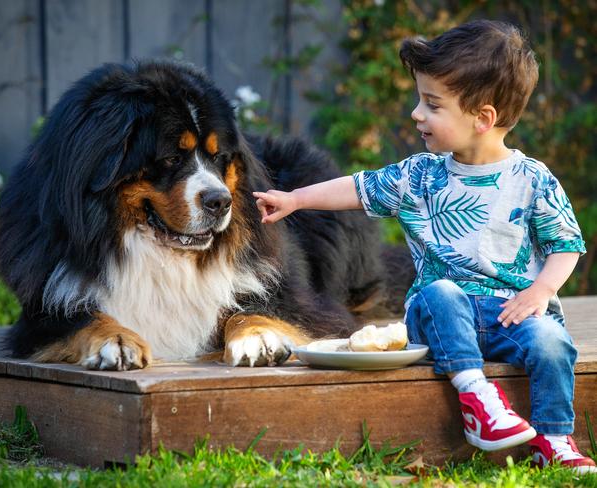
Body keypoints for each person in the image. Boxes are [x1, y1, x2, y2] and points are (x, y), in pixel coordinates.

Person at [253, 20, 595, 473]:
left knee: (553, 340)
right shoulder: (421, 175)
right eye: (420, 100)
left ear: (483, 118)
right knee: (440, 290)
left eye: (432, 104)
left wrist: (542, 291)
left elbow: (566, 243)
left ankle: (553, 438)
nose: (417, 113)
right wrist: (296, 199)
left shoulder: (533, 180)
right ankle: (478, 400)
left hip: (511, 310)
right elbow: (359, 187)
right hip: (440, 314)